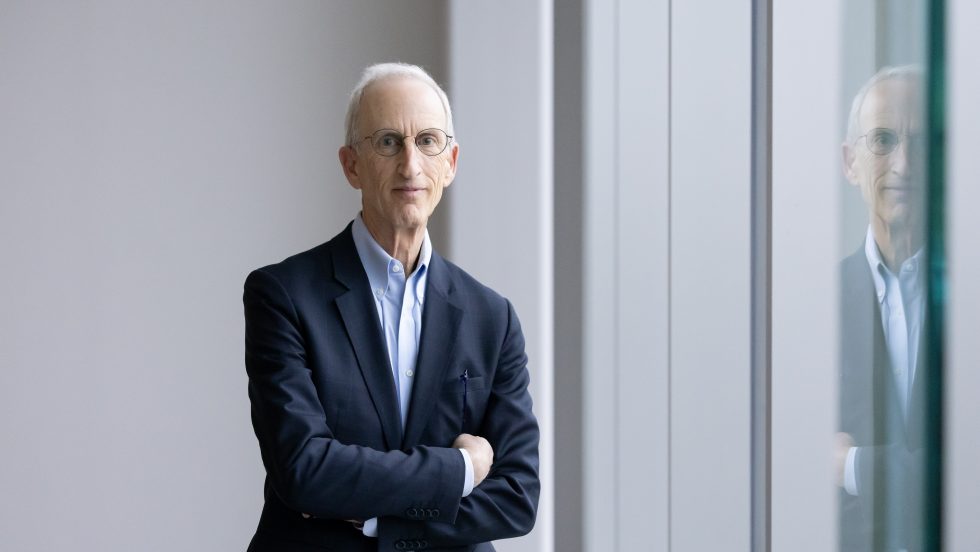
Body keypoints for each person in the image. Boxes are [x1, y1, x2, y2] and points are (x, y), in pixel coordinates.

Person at [243, 62, 540, 551]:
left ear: (451, 162)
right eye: (387, 142)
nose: (410, 165)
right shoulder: (283, 295)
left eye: (427, 141)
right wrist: (461, 468)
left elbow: (516, 497)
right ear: (351, 165)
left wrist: (380, 521)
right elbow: (304, 469)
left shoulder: (494, 318)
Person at [836, 65, 927, 552]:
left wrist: (850, 465)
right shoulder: (814, 311)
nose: (905, 164)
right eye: (884, 140)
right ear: (850, 163)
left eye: (922, 143)